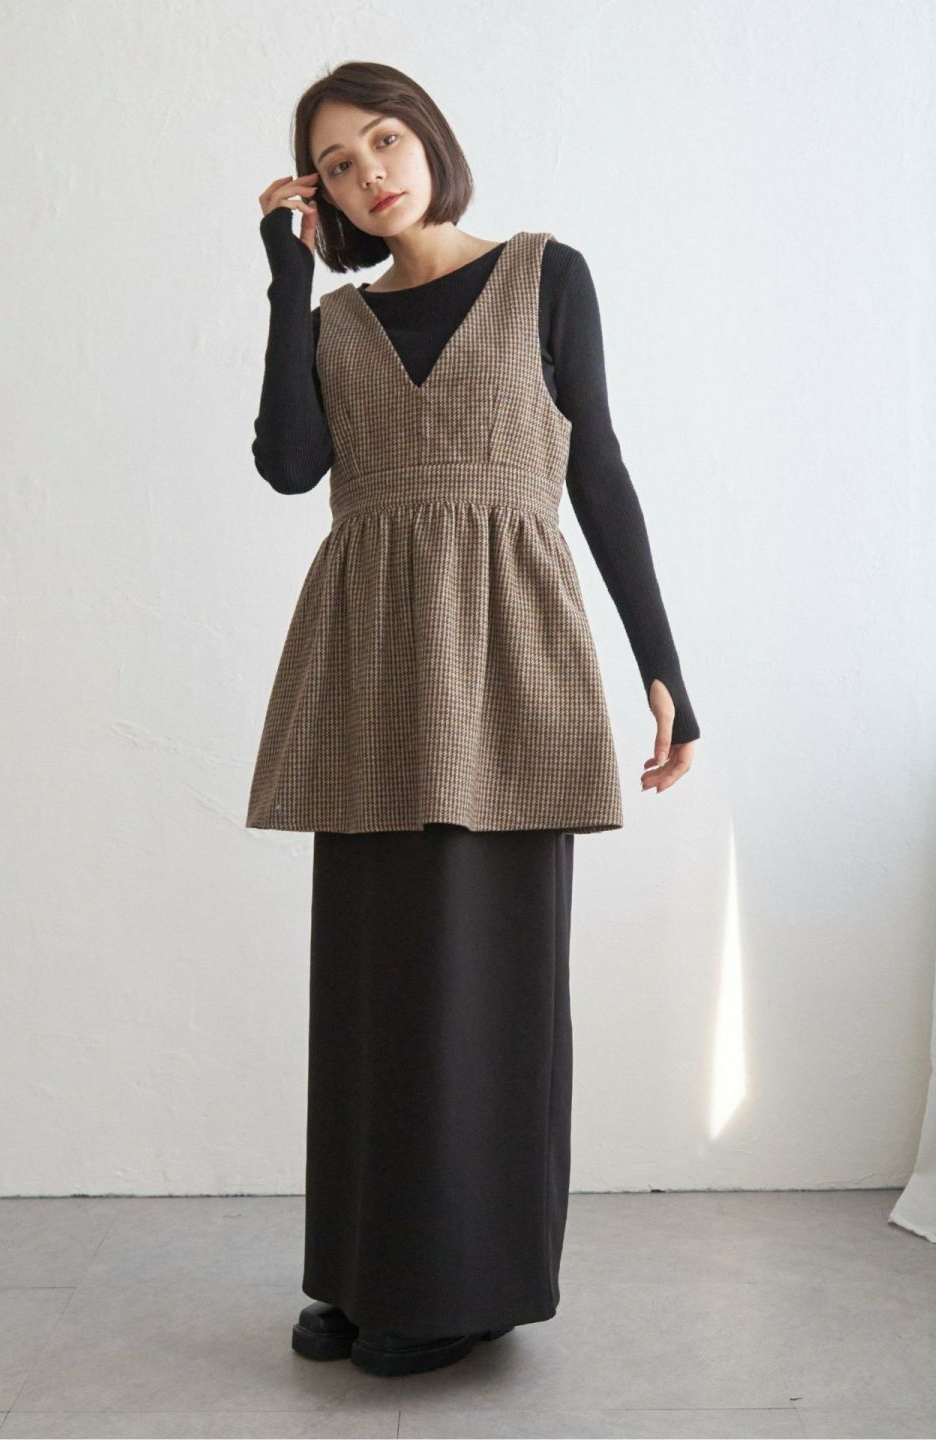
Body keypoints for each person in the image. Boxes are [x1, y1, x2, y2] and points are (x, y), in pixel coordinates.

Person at [245, 61, 700, 1378]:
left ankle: (462, 1290)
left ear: (429, 140)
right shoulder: (335, 322)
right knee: (372, 985)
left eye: (384, 141)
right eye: (337, 165)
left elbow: (598, 468)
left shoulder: (546, 275)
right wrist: (284, 280)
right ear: (320, 195)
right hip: (370, 671)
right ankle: (364, 1272)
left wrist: (665, 666)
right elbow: (289, 466)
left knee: (482, 986)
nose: (369, 173)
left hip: (509, 670)